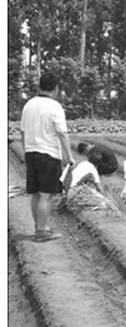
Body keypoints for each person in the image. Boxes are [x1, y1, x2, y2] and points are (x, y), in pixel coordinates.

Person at [20, 72, 75, 242]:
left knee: (36, 194)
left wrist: (25, 151)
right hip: (49, 154)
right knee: (46, 195)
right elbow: (62, 133)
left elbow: (22, 131)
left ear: (40, 86)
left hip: (31, 152)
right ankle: (42, 231)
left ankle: (39, 228)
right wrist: (69, 156)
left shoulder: (28, 105)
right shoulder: (54, 106)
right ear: (56, 88)